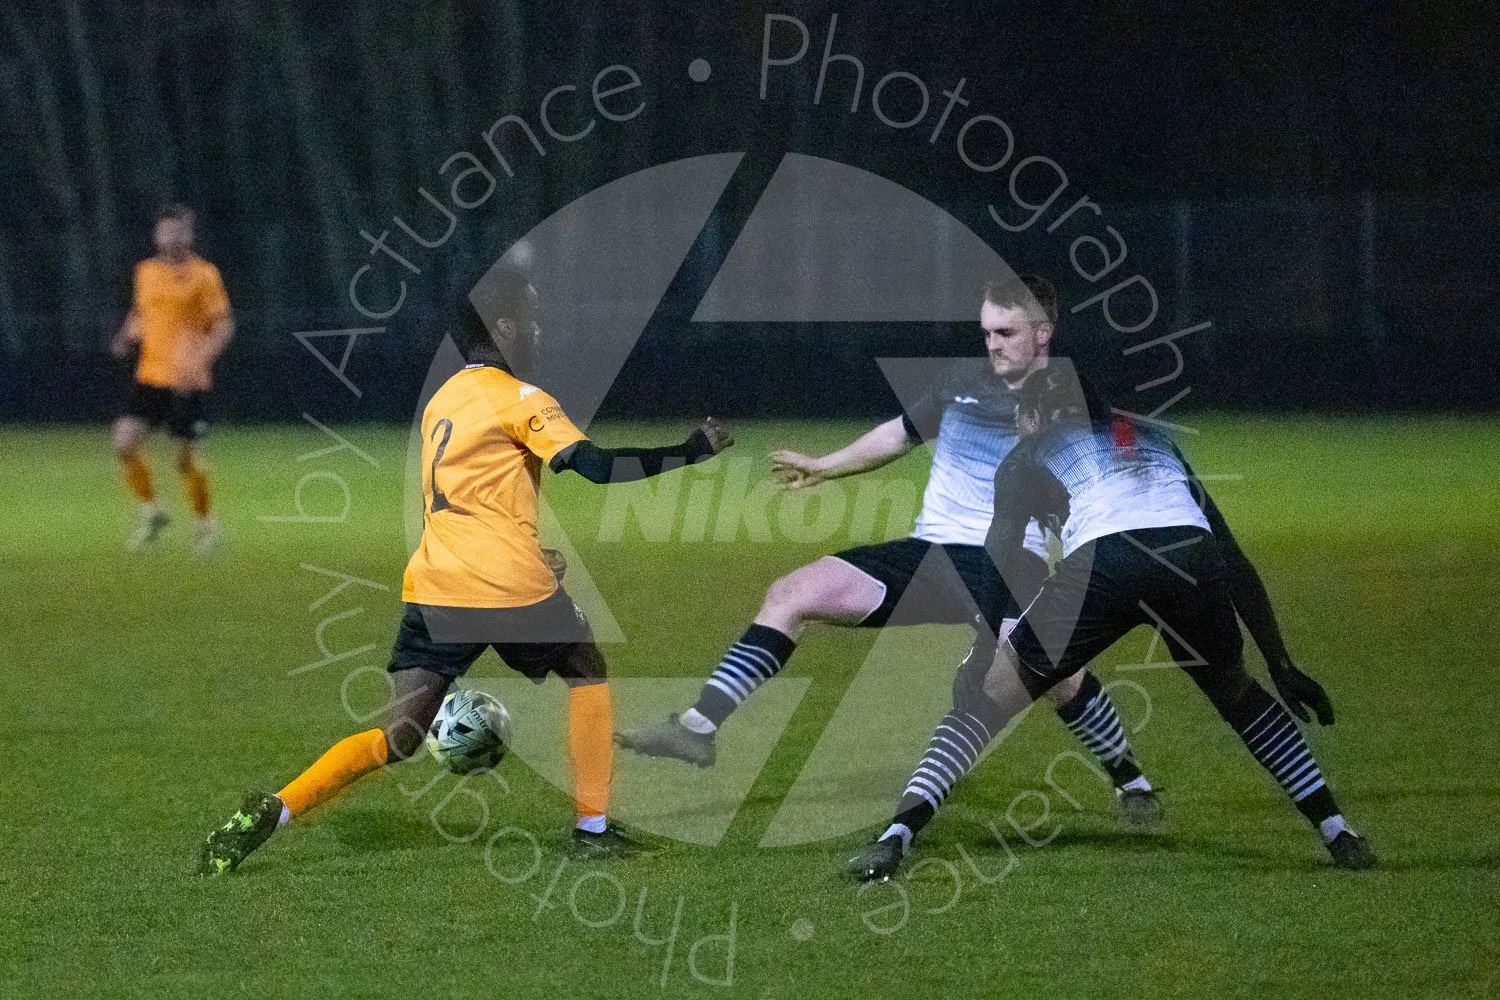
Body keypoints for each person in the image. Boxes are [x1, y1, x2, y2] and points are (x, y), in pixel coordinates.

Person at [198, 265, 733, 874]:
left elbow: (474, 498)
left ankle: (275, 809)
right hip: (508, 588)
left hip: (436, 587)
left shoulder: (443, 401)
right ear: (503, 327)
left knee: (398, 736)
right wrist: (691, 451)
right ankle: (592, 830)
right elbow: (598, 468)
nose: (537, 329)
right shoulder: (522, 400)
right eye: (530, 317)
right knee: (585, 668)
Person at [617, 276, 1161, 822]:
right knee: (792, 593)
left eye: (1005, 332)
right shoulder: (962, 382)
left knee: (1056, 675)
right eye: (986, 332)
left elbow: (1116, 464)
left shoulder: (1072, 396)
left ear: (1043, 333)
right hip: (928, 555)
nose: (992, 344)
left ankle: (1131, 779)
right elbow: (899, 434)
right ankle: (698, 727)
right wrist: (824, 467)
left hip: (1008, 563)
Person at [848, 363, 1374, 880]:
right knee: (1239, 695)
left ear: (1033, 415)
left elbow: (998, 564)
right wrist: (1280, 662)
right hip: (1192, 559)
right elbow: (1232, 557)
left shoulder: (1025, 456)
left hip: (1106, 564)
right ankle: (1337, 830)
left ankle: (896, 838)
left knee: (983, 705)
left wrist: (984, 658)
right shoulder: (1154, 440)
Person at [111, 204, 233, 553]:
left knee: (185, 458)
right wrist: (125, 336)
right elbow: (141, 313)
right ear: (157, 235)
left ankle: (206, 526)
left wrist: (200, 361)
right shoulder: (145, 272)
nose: (172, 238)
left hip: (188, 382)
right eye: (166, 231)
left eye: (179, 232)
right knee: (123, 443)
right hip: (151, 376)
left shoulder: (204, 275)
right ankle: (152, 511)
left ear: (189, 235)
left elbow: (223, 327)